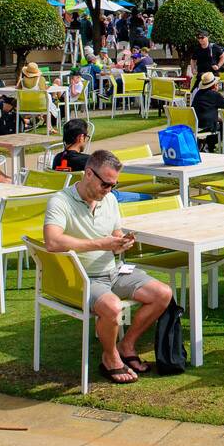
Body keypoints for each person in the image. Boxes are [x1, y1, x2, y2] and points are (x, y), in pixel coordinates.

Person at [43, 149, 173, 384]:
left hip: (113, 271)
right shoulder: (60, 201)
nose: (109, 190)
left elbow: (114, 234)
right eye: (106, 184)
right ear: (89, 174)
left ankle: (127, 344)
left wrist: (120, 243)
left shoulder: (110, 199)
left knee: (163, 293)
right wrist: (100, 244)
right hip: (82, 278)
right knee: (113, 307)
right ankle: (110, 356)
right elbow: (52, 242)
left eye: (113, 185)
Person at [189, 72, 224, 150]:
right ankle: (209, 144)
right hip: (208, 124)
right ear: (214, 85)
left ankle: (206, 143)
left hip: (196, 122)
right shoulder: (215, 95)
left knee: (218, 122)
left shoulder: (198, 93)